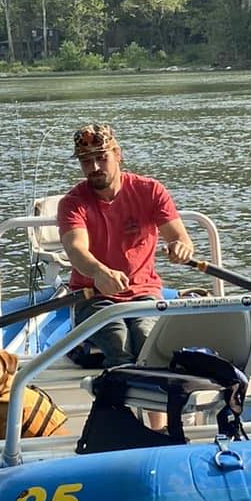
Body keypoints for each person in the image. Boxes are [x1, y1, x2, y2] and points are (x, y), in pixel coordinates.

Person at [58, 123, 194, 368]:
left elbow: (180, 239)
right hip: (93, 296)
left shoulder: (151, 190)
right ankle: (123, 403)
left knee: (146, 342)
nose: (95, 167)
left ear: (118, 154)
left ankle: (156, 407)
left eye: (101, 158)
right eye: (86, 162)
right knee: (118, 342)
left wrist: (180, 248)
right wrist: (99, 272)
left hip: (144, 293)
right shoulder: (72, 202)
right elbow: (76, 249)